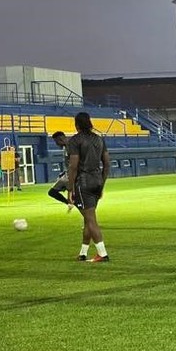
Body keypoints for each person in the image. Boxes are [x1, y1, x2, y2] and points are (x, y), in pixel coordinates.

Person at [67, 112, 110, 263]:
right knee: (88, 219)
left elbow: (73, 166)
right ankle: (83, 253)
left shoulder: (75, 140)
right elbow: (107, 164)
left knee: (90, 219)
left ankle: (102, 254)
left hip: (83, 183)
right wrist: (102, 184)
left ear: (76, 124)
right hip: (97, 181)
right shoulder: (99, 139)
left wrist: (70, 189)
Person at [47, 132, 75, 212]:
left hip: (73, 175)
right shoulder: (66, 148)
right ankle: (69, 203)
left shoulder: (71, 147)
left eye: (56, 142)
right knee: (52, 192)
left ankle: (71, 202)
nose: (56, 144)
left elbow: (74, 164)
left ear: (61, 139)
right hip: (68, 174)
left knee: (75, 197)